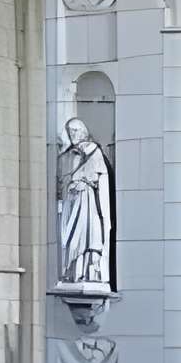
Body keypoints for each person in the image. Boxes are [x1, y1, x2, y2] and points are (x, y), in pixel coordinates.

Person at [57, 117, 112, 285]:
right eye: (69, 131)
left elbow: (100, 180)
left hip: (87, 202)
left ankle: (88, 272)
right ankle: (72, 272)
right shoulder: (66, 157)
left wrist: (85, 181)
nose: (72, 134)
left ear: (82, 131)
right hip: (71, 201)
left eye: (75, 130)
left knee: (87, 237)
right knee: (70, 239)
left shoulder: (94, 152)